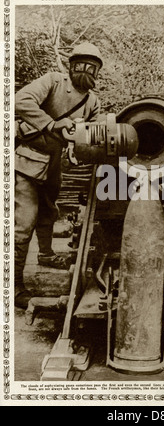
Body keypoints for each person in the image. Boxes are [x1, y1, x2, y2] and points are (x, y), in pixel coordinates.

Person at [14, 42, 102, 309]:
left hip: (54, 163)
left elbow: (91, 135)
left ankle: (46, 254)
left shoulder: (92, 101)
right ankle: (14, 288)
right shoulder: (53, 81)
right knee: (23, 224)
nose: (85, 71)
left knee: (49, 212)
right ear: (71, 66)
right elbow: (20, 100)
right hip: (27, 159)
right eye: (81, 65)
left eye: (92, 67)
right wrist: (51, 124)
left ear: (98, 72)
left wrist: (79, 150)